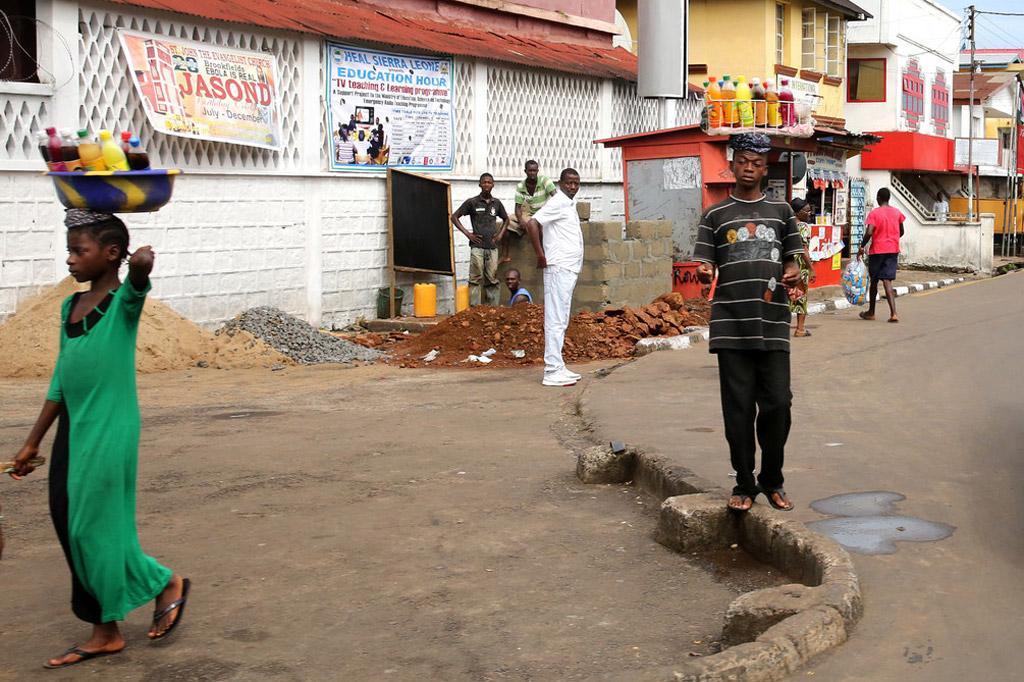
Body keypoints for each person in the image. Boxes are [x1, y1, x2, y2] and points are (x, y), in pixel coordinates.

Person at [8, 209, 190, 669]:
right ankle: (109, 628)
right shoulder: (69, 307)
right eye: (69, 250)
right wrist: (32, 441)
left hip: (111, 428)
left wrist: (140, 265)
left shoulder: (124, 303)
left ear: (110, 254)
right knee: (69, 521)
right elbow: (61, 379)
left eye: (78, 250)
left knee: (94, 526)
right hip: (74, 427)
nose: (69, 259)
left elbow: (138, 281)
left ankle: (156, 587)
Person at [693, 133, 803, 513]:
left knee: (779, 404)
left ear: (765, 168)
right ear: (732, 164)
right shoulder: (715, 215)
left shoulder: (782, 212)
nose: (749, 169)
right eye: (742, 161)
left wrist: (792, 271)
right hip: (731, 325)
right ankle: (743, 482)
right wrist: (705, 272)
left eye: (756, 163)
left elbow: (793, 260)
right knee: (738, 410)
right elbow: (705, 263)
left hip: (772, 322)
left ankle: (772, 479)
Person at [524, 168, 584, 387]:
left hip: (567, 268)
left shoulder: (568, 203)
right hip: (558, 267)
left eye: (576, 183)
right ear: (560, 183)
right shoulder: (558, 201)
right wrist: (541, 255)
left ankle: (558, 365)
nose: (573, 187)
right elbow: (532, 223)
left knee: (561, 318)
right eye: (569, 183)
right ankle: (551, 370)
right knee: (555, 319)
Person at [452, 173, 509, 306]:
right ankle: (475, 309)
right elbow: (454, 217)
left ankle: (493, 309)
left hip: (492, 247)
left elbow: (506, 219)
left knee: (492, 279)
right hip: (477, 247)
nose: (487, 185)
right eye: (484, 182)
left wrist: (500, 235)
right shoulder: (472, 202)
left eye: (489, 182)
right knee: (475, 279)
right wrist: (468, 234)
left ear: (493, 185)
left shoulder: (497, 203)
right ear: (480, 185)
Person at [859, 187, 905, 323]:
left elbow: (869, 232)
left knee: (874, 281)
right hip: (892, 250)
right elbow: (901, 231)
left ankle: (871, 312)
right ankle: (894, 313)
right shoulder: (897, 212)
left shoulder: (875, 213)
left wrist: (862, 246)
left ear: (879, 198)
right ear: (888, 198)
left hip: (877, 251)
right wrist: (892, 239)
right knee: (887, 280)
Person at [502, 160, 558, 264]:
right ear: (525, 171)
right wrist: (520, 220)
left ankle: (542, 255)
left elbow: (556, 197)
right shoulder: (521, 186)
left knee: (539, 226)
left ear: (537, 171)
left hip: (543, 213)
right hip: (528, 214)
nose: (532, 173)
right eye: (530, 171)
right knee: (506, 222)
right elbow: (517, 207)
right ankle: (505, 255)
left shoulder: (545, 181)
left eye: (534, 171)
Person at [788, 197, 817, 337]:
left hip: (787, 265)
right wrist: (811, 268)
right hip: (800, 266)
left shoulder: (786, 225)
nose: (809, 213)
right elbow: (803, 249)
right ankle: (800, 329)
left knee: (787, 296)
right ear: (797, 212)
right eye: (806, 211)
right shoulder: (803, 227)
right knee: (801, 295)